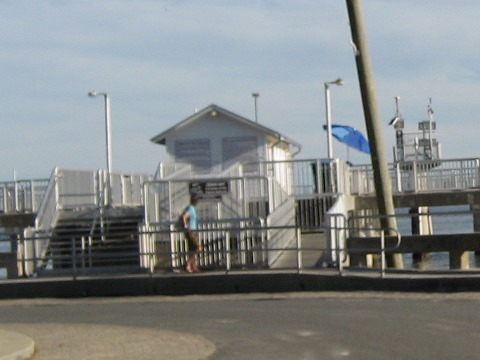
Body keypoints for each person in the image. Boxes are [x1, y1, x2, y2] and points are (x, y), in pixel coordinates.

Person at [181, 195, 202, 273]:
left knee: (192, 249)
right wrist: (186, 226)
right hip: (191, 231)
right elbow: (184, 216)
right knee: (198, 247)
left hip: (192, 230)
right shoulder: (190, 208)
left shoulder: (189, 208)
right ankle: (188, 264)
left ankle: (193, 266)